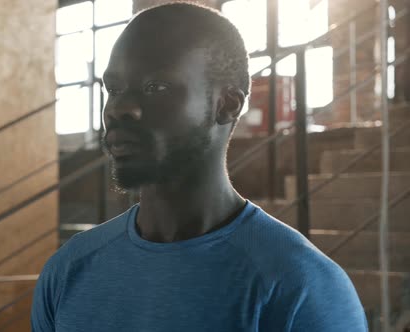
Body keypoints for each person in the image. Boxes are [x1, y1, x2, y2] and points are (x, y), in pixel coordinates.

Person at [32, 2, 367, 331]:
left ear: (227, 105)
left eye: (155, 87)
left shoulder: (300, 287)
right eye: (114, 89)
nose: (119, 108)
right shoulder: (69, 270)